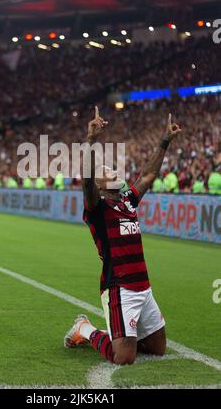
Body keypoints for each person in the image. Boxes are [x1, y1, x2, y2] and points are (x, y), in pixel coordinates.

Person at [64, 107, 181, 365]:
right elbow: (85, 181)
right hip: (119, 288)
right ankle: (85, 328)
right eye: (105, 172)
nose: (113, 171)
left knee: (156, 348)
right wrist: (91, 139)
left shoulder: (128, 200)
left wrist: (165, 140)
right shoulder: (98, 209)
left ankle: (122, 332)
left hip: (143, 287)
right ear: (99, 186)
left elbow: (149, 174)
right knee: (123, 357)